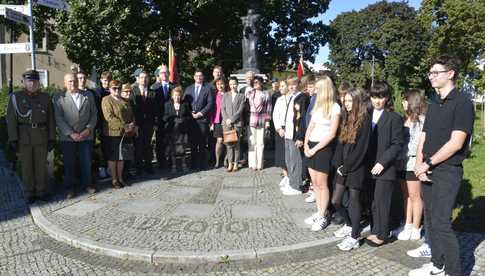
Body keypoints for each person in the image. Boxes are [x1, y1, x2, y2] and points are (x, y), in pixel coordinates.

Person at [409, 55, 474, 276]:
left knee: (442, 224)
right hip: (426, 169)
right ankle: (437, 265)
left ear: (450, 73)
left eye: (435, 72)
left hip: (447, 171)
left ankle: (454, 272)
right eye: (430, 73)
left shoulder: (463, 102)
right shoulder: (434, 101)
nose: (431, 77)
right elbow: (424, 136)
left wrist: (427, 163)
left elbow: (456, 143)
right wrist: (419, 165)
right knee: (430, 219)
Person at [331, 88, 372, 251]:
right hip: (343, 167)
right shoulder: (346, 118)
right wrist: (339, 164)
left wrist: (347, 167)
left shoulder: (365, 120)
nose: (346, 104)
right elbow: (341, 143)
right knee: (336, 201)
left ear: (357, 102)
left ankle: (355, 236)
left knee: (354, 201)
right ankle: (349, 224)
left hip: (356, 168)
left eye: (349, 101)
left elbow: (361, 149)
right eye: (345, 101)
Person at [6, 70, 56, 203]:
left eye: (35, 81)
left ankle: (41, 191)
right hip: (24, 137)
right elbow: (11, 120)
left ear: (39, 82)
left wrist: (52, 138)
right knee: (27, 167)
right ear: (24, 82)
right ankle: (29, 192)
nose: (32, 83)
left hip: (41, 136)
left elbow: (51, 119)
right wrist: (13, 139)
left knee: (41, 166)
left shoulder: (46, 97)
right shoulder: (15, 97)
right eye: (29, 81)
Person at [364, 81, 404, 247]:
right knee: (372, 201)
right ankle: (375, 229)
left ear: (387, 98)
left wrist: (382, 162)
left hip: (384, 167)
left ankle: (383, 233)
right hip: (367, 165)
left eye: (381, 97)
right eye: (374, 97)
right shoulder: (367, 114)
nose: (377, 101)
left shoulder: (394, 118)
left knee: (382, 201)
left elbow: (397, 144)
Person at [303, 76, 340, 231]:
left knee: (322, 184)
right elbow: (310, 126)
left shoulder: (335, 107)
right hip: (311, 146)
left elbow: (332, 134)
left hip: (324, 148)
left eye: (317, 88)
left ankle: (324, 215)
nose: (315, 90)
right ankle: (319, 212)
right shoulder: (317, 105)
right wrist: (306, 144)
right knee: (315, 184)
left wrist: (315, 148)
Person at [52, 73, 98, 198]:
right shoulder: (59, 97)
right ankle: (70, 188)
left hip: (86, 135)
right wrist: (71, 133)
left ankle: (88, 184)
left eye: (75, 81)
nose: (73, 83)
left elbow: (94, 114)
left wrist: (88, 130)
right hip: (68, 137)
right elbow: (58, 118)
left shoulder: (88, 95)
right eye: (70, 81)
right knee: (69, 163)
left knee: (86, 161)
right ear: (65, 83)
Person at [396, 90, 427, 241]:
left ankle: (416, 227)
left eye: (405, 100)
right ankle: (407, 224)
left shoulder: (421, 121)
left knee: (415, 196)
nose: (403, 103)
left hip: (413, 162)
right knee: (405, 195)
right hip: (401, 163)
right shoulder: (403, 119)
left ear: (413, 101)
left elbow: (421, 144)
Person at [102, 80, 136, 188]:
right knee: (113, 157)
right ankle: (114, 180)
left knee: (122, 157)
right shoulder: (106, 100)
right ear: (110, 89)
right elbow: (109, 117)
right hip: (113, 133)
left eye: (119, 88)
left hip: (126, 133)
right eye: (114, 88)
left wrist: (132, 124)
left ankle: (121, 178)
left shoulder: (125, 100)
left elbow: (132, 114)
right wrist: (124, 126)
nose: (117, 90)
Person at [280, 76, 310, 195]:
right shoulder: (292, 97)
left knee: (296, 161)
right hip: (288, 133)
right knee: (289, 160)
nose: (291, 87)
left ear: (298, 84)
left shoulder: (302, 97)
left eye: (293, 84)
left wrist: (300, 136)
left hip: (295, 134)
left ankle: (296, 186)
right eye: (289, 85)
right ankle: (291, 182)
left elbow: (302, 118)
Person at [184, 69, 214, 170]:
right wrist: (190, 113)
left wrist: (201, 113)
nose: (198, 78)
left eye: (200, 76)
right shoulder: (188, 89)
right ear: (194, 77)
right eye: (197, 76)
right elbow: (184, 103)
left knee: (202, 143)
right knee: (192, 144)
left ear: (203, 77)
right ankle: (193, 164)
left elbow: (210, 103)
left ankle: (202, 164)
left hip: (202, 120)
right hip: (191, 121)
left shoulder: (208, 89)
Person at [130, 70, 159, 174]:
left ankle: (148, 166)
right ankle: (139, 168)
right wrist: (134, 124)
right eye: (142, 77)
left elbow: (156, 110)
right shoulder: (133, 92)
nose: (144, 79)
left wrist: (155, 124)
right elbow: (132, 109)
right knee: (138, 146)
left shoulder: (153, 92)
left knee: (148, 145)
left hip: (149, 124)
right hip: (137, 124)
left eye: (146, 77)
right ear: (138, 79)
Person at [246, 76, 272, 170]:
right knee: (252, 142)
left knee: (260, 143)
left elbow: (269, 108)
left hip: (262, 119)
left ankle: (259, 164)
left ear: (261, 83)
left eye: (257, 82)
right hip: (252, 119)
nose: (255, 83)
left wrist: (268, 121)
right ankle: (252, 164)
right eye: (254, 82)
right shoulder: (250, 93)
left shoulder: (266, 94)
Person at [163, 86, 191, 173]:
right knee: (173, 149)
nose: (177, 97)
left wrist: (183, 120)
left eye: (178, 95)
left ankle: (184, 165)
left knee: (182, 149)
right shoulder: (167, 104)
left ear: (181, 96)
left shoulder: (185, 104)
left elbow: (189, 117)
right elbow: (164, 117)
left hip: (182, 130)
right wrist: (172, 119)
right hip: (172, 130)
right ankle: (174, 166)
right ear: (172, 96)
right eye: (175, 95)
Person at [152, 64, 174, 169]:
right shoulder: (154, 88)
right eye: (162, 73)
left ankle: (171, 161)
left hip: (172, 120)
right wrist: (155, 121)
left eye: (166, 72)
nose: (164, 74)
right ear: (159, 75)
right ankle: (161, 162)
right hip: (159, 120)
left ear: (169, 74)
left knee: (171, 141)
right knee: (160, 142)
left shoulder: (174, 87)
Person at [221, 77, 246, 172]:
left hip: (237, 124)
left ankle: (236, 163)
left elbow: (240, 110)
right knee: (228, 144)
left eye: (234, 84)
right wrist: (227, 119)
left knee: (236, 144)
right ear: (229, 85)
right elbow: (222, 109)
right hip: (226, 124)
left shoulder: (241, 96)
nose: (233, 86)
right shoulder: (225, 95)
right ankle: (230, 163)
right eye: (231, 84)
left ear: (237, 84)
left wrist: (232, 119)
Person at [94, 71, 112, 179]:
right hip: (100, 123)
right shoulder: (96, 92)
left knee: (110, 147)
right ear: (101, 80)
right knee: (101, 148)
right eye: (105, 80)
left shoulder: (113, 90)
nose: (106, 82)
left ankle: (110, 168)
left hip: (111, 123)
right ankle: (102, 167)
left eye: (108, 80)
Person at [272, 79, 290, 185]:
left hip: (290, 128)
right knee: (282, 153)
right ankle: (285, 175)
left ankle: (292, 175)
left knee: (290, 153)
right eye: (280, 86)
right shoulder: (279, 99)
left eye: (283, 86)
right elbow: (275, 115)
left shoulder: (293, 98)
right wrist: (279, 128)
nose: (280, 88)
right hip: (281, 128)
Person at [210, 78, 227, 168]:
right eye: (218, 84)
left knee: (227, 141)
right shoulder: (214, 95)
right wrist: (212, 122)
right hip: (218, 121)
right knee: (219, 140)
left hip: (227, 121)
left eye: (222, 83)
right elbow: (212, 110)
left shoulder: (228, 94)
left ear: (225, 84)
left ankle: (225, 160)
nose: (220, 86)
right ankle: (217, 161)